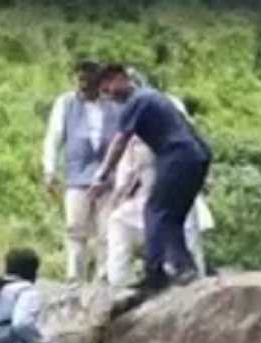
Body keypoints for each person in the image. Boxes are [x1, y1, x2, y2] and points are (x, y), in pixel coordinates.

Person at [89, 64, 213, 294]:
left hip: (178, 155)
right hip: (197, 156)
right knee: (171, 217)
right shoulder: (153, 96)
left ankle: (154, 273)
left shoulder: (138, 99)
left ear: (122, 78)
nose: (109, 96)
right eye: (104, 94)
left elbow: (119, 143)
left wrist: (102, 175)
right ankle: (185, 268)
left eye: (109, 88)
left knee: (155, 211)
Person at [43, 60, 122, 283]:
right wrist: (49, 170)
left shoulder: (114, 106)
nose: (83, 84)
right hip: (77, 176)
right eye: (80, 79)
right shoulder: (65, 103)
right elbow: (53, 137)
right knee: (75, 228)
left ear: (99, 81)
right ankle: (74, 276)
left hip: (108, 178)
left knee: (107, 230)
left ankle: (105, 276)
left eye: (88, 79)